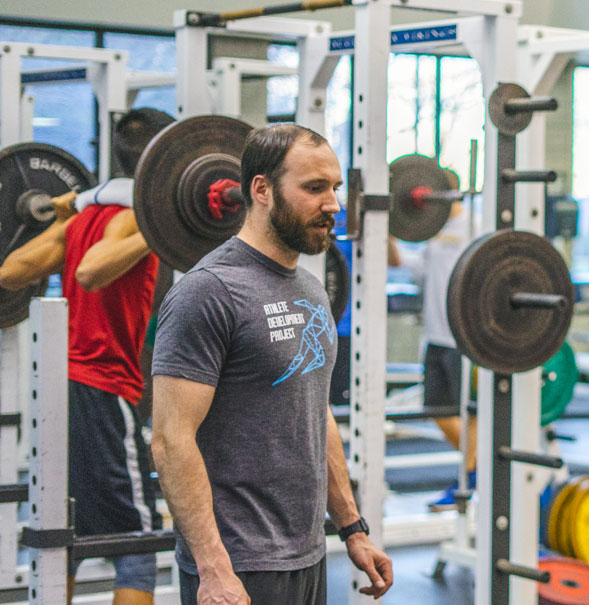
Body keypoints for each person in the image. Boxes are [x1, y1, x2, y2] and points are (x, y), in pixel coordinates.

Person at [150, 124, 393, 604]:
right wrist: (213, 570)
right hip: (238, 566)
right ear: (261, 189)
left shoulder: (310, 289)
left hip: (306, 555)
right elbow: (170, 440)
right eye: (314, 188)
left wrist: (352, 528)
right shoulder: (208, 292)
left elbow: (313, 411)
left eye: (335, 188)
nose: (333, 206)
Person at [0, 107, 173, 605]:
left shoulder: (85, 216)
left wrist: (64, 225)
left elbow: (12, 270)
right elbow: (90, 273)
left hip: (60, 389)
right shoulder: (139, 216)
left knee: (63, 531)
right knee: (137, 544)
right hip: (104, 385)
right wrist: (162, 226)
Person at [392, 168, 479, 511]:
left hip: (465, 339)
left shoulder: (475, 226)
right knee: (437, 410)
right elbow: (398, 261)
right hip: (435, 337)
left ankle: (469, 478)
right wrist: (385, 222)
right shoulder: (432, 232)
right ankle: (480, 469)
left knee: (471, 411)